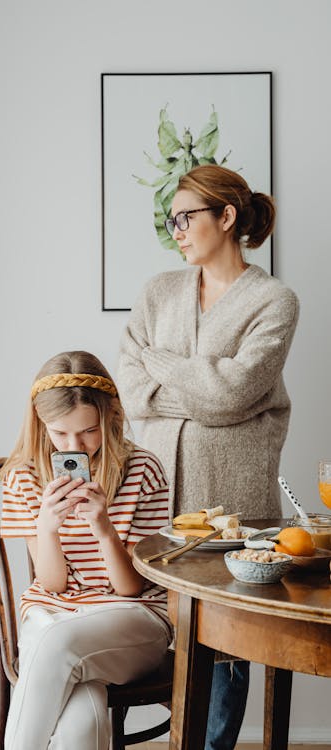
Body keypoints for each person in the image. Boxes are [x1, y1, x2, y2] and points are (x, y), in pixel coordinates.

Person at [117, 164, 299, 750]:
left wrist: (162, 365)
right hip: (159, 483)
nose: (176, 230)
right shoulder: (158, 291)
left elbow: (234, 394)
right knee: (162, 619)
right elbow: (129, 388)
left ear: (226, 217)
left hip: (236, 494)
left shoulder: (273, 300)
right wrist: (203, 385)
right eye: (170, 220)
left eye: (186, 217)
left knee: (226, 635)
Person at [0, 350, 174, 750]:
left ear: (110, 417)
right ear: (41, 425)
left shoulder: (143, 468)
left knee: (55, 642)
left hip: (133, 617)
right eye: (60, 434)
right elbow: (53, 583)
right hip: (53, 610)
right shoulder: (22, 477)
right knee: (83, 716)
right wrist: (47, 526)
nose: (75, 446)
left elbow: (132, 588)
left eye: (88, 432)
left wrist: (104, 530)